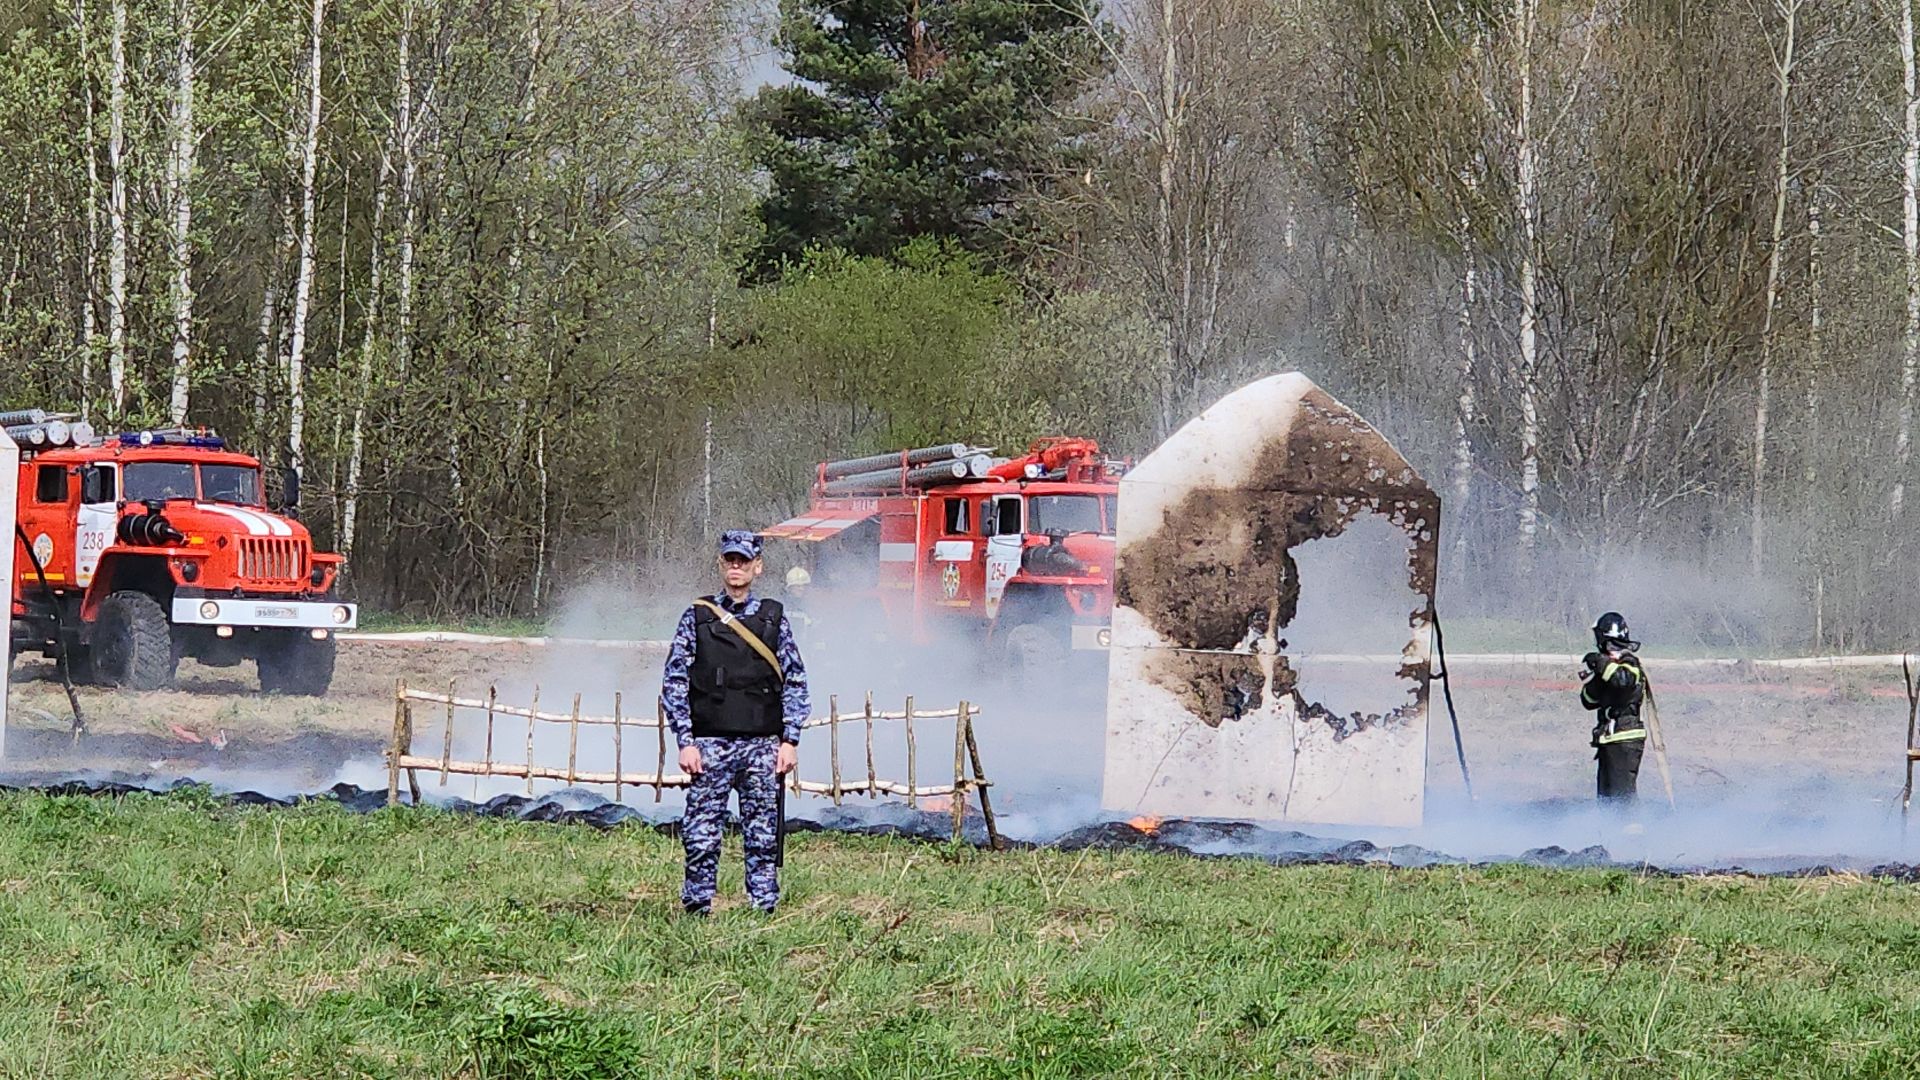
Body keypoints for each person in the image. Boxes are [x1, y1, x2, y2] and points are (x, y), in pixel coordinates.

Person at [661, 530, 810, 915]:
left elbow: (794, 680)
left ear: (757, 566)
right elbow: (674, 681)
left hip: (763, 747)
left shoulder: (774, 619)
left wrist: (790, 740)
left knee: (762, 834)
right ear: (721, 564)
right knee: (701, 834)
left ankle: (762, 907)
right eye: (730, 560)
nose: (736, 567)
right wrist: (685, 741)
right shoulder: (696, 616)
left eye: (744, 561)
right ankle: (697, 906)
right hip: (709, 745)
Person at [1579, 611, 1646, 801]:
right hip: (1607, 740)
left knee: (1623, 801)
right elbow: (1588, 701)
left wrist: (1600, 663)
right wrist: (1596, 680)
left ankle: (1631, 831)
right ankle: (1608, 830)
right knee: (1606, 800)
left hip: (1626, 740)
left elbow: (1622, 680)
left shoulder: (1629, 664)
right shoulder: (1608, 669)